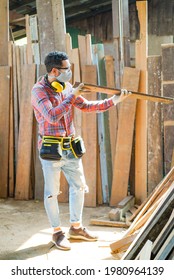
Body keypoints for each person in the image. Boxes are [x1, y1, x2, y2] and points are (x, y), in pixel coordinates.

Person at [31, 51, 130, 251]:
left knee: (78, 188)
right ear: (54, 70)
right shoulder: (39, 91)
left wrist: (113, 101)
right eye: (67, 69)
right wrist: (72, 96)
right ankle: (57, 232)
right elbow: (51, 116)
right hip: (51, 149)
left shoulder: (66, 87)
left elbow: (87, 107)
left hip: (70, 149)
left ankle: (76, 228)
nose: (70, 72)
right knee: (52, 193)